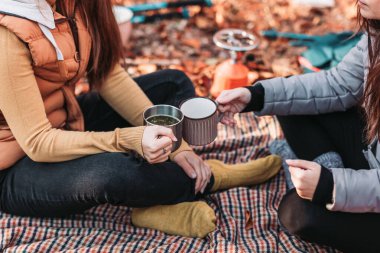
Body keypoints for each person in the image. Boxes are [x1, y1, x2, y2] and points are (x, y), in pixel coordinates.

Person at [0, 0, 282, 238]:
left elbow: (108, 74)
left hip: (69, 118)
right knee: (115, 171)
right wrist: (130, 139)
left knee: (173, 84)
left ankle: (152, 198)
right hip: (17, 165)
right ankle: (208, 177)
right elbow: (38, 142)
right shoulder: (7, 34)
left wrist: (177, 146)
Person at [216, 1, 380, 251]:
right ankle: (325, 176)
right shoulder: (377, 34)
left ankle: (316, 184)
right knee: (288, 103)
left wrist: (330, 185)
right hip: (372, 155)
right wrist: (254, 96)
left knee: (299, 214)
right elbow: (339, 85)